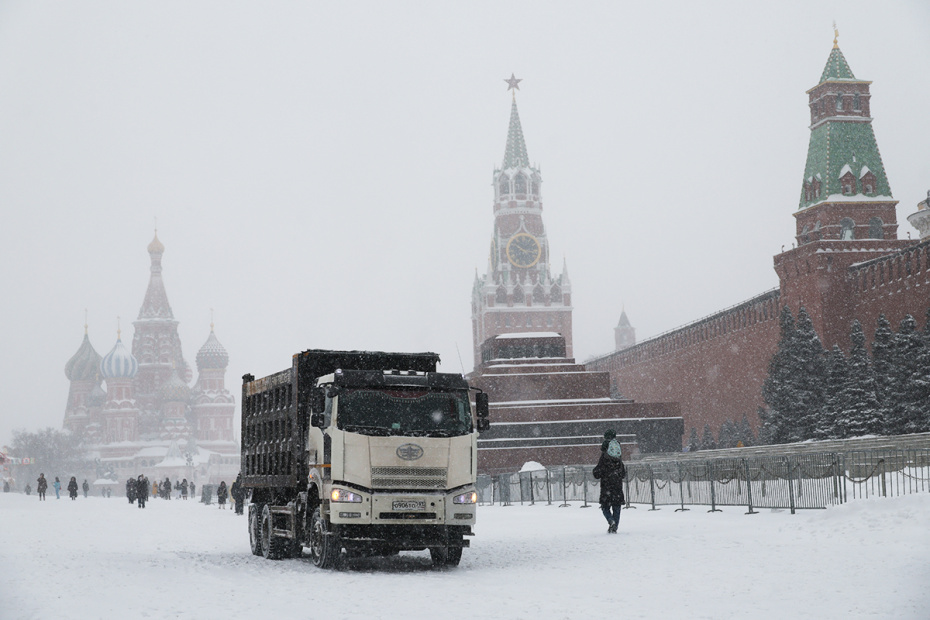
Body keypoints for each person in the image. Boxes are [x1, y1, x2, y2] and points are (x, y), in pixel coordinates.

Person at [592, 430, 626, 534]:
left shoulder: (604, 457)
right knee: (617, 507)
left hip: (606, 486)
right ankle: (614, 527)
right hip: (617, 486)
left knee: (605, 507)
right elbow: (623, 473)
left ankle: (611, 521)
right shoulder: (618, 457)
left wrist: (597, 472)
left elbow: (597, 473)